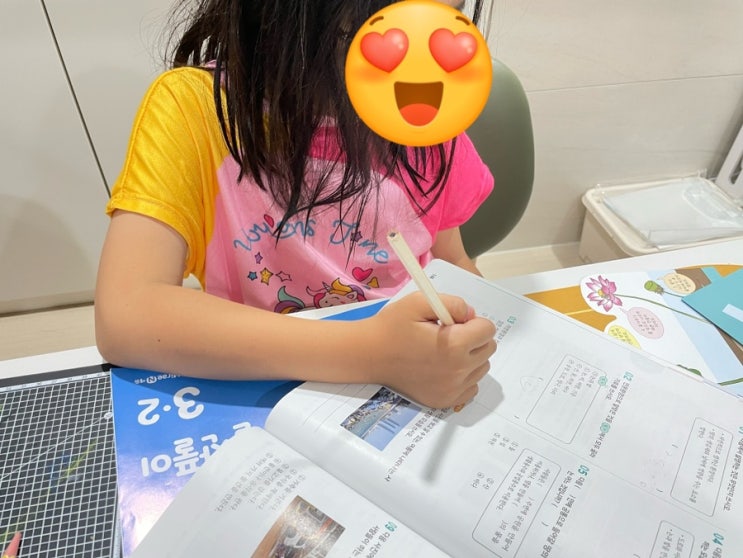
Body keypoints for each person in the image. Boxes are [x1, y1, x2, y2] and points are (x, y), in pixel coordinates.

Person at [95, 0, 497, 409]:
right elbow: (126, 316)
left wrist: (465, 336)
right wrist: (372, 353)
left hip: (412, 384)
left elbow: (452, 261)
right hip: (265, 381)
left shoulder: (425, 111)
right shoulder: (195, 109)